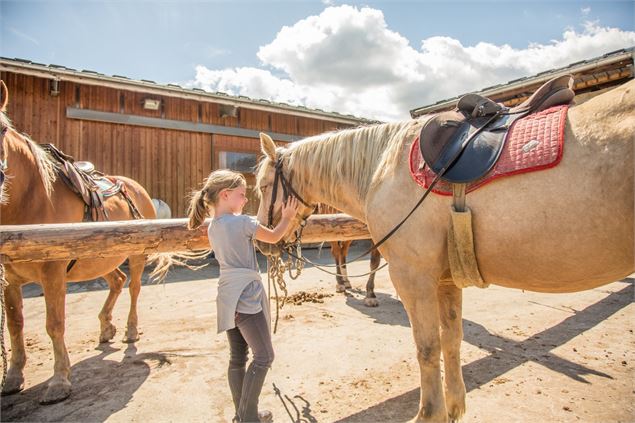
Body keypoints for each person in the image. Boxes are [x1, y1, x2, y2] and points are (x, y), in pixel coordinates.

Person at [187, 169, 299, 423]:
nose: (245, 200)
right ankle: (248, 418)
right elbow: (273, 237)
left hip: (228, 296)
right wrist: (288, 217)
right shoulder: (242, 223)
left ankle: (244, 413)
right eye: (241, 195)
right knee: (264, 356)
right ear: (225, 195)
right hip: (247, 296)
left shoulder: (214, 226)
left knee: (238, 358)